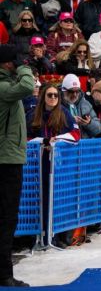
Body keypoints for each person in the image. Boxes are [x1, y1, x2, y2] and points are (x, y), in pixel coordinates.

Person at [0, 44, 35, 288]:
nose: (19, 64)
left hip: (8, 157)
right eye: (16, 61)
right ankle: (4, 274)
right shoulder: (4, 88)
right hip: (6, 160)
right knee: (6, 218)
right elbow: (27, 86)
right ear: (7, 64)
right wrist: (24, 67)